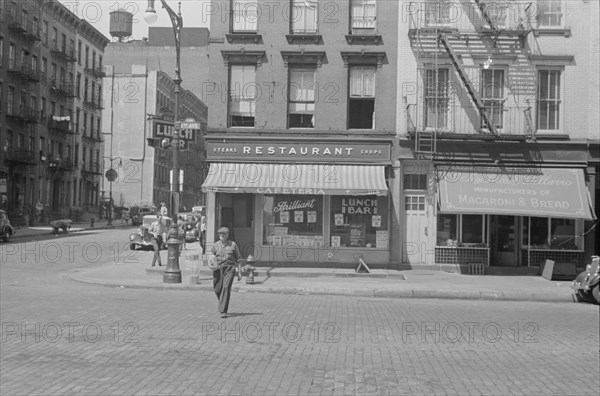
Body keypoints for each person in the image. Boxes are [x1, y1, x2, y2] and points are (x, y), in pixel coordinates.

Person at [208, 227, 240, 318]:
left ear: (227, 235)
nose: (221, 235)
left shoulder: (233, 245)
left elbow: (238, 258)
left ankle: (223, 310)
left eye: (223, 234)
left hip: (229, 268)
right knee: (217, 289)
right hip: (218, 269)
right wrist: (211, 264)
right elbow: (211, 257)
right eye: (220, 234)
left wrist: (240, 272)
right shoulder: (215, 245)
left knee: (226, 288)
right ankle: (223, 301)